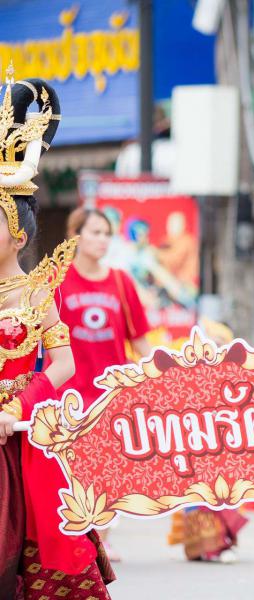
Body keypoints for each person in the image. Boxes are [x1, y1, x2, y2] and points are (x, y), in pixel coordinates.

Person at [0, 74, 114, 598]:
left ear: (18, 233)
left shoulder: (37, 294)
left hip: (22, 434)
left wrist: (17, 408)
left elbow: (63, 364)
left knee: (34, 546)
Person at [59, 207, 153, 562]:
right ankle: (75, 537)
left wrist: (165, 378)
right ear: (75, 235)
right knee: (70, 472)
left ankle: (101, 538)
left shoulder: (120, 282)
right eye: (95, 232)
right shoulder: (56, 281)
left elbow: (140, 340)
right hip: (68, 393)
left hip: (112, 393)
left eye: (106, 233)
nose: (102, 240)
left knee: (109, 470)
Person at [167, 318, 249, 563]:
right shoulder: (188, 377)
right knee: (197, 499)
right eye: (211, 344)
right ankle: (200, 545)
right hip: (197, 449)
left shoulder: (237, 378)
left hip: (225, 450)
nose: (215, 350)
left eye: (221, 344)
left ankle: (220, 545)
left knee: (223, 498)